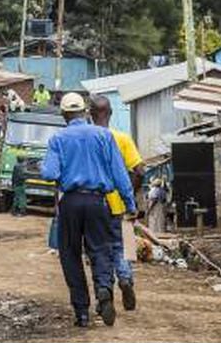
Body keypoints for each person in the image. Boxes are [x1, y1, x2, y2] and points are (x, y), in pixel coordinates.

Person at [40, 92, 135, 328]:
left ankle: (81, 312)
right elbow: (120, 174)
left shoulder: (58, 139)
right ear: (84, 112)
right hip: (98, 202)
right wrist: (130, 204)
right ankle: (103, 290)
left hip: (70, 202)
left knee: (71, 255)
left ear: (64, 115)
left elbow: (50, 174)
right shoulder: (104, 136)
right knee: (100, 250)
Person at [89, 95, 145, 312]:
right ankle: (125, 279)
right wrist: (130, 192)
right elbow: (140, 170)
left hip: (95, 203)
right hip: (120, 205)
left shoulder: (89, 138)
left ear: (90, 115)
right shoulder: (122, 138)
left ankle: (105, 293)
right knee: (122, 247)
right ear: (111, 113)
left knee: (99, 250)